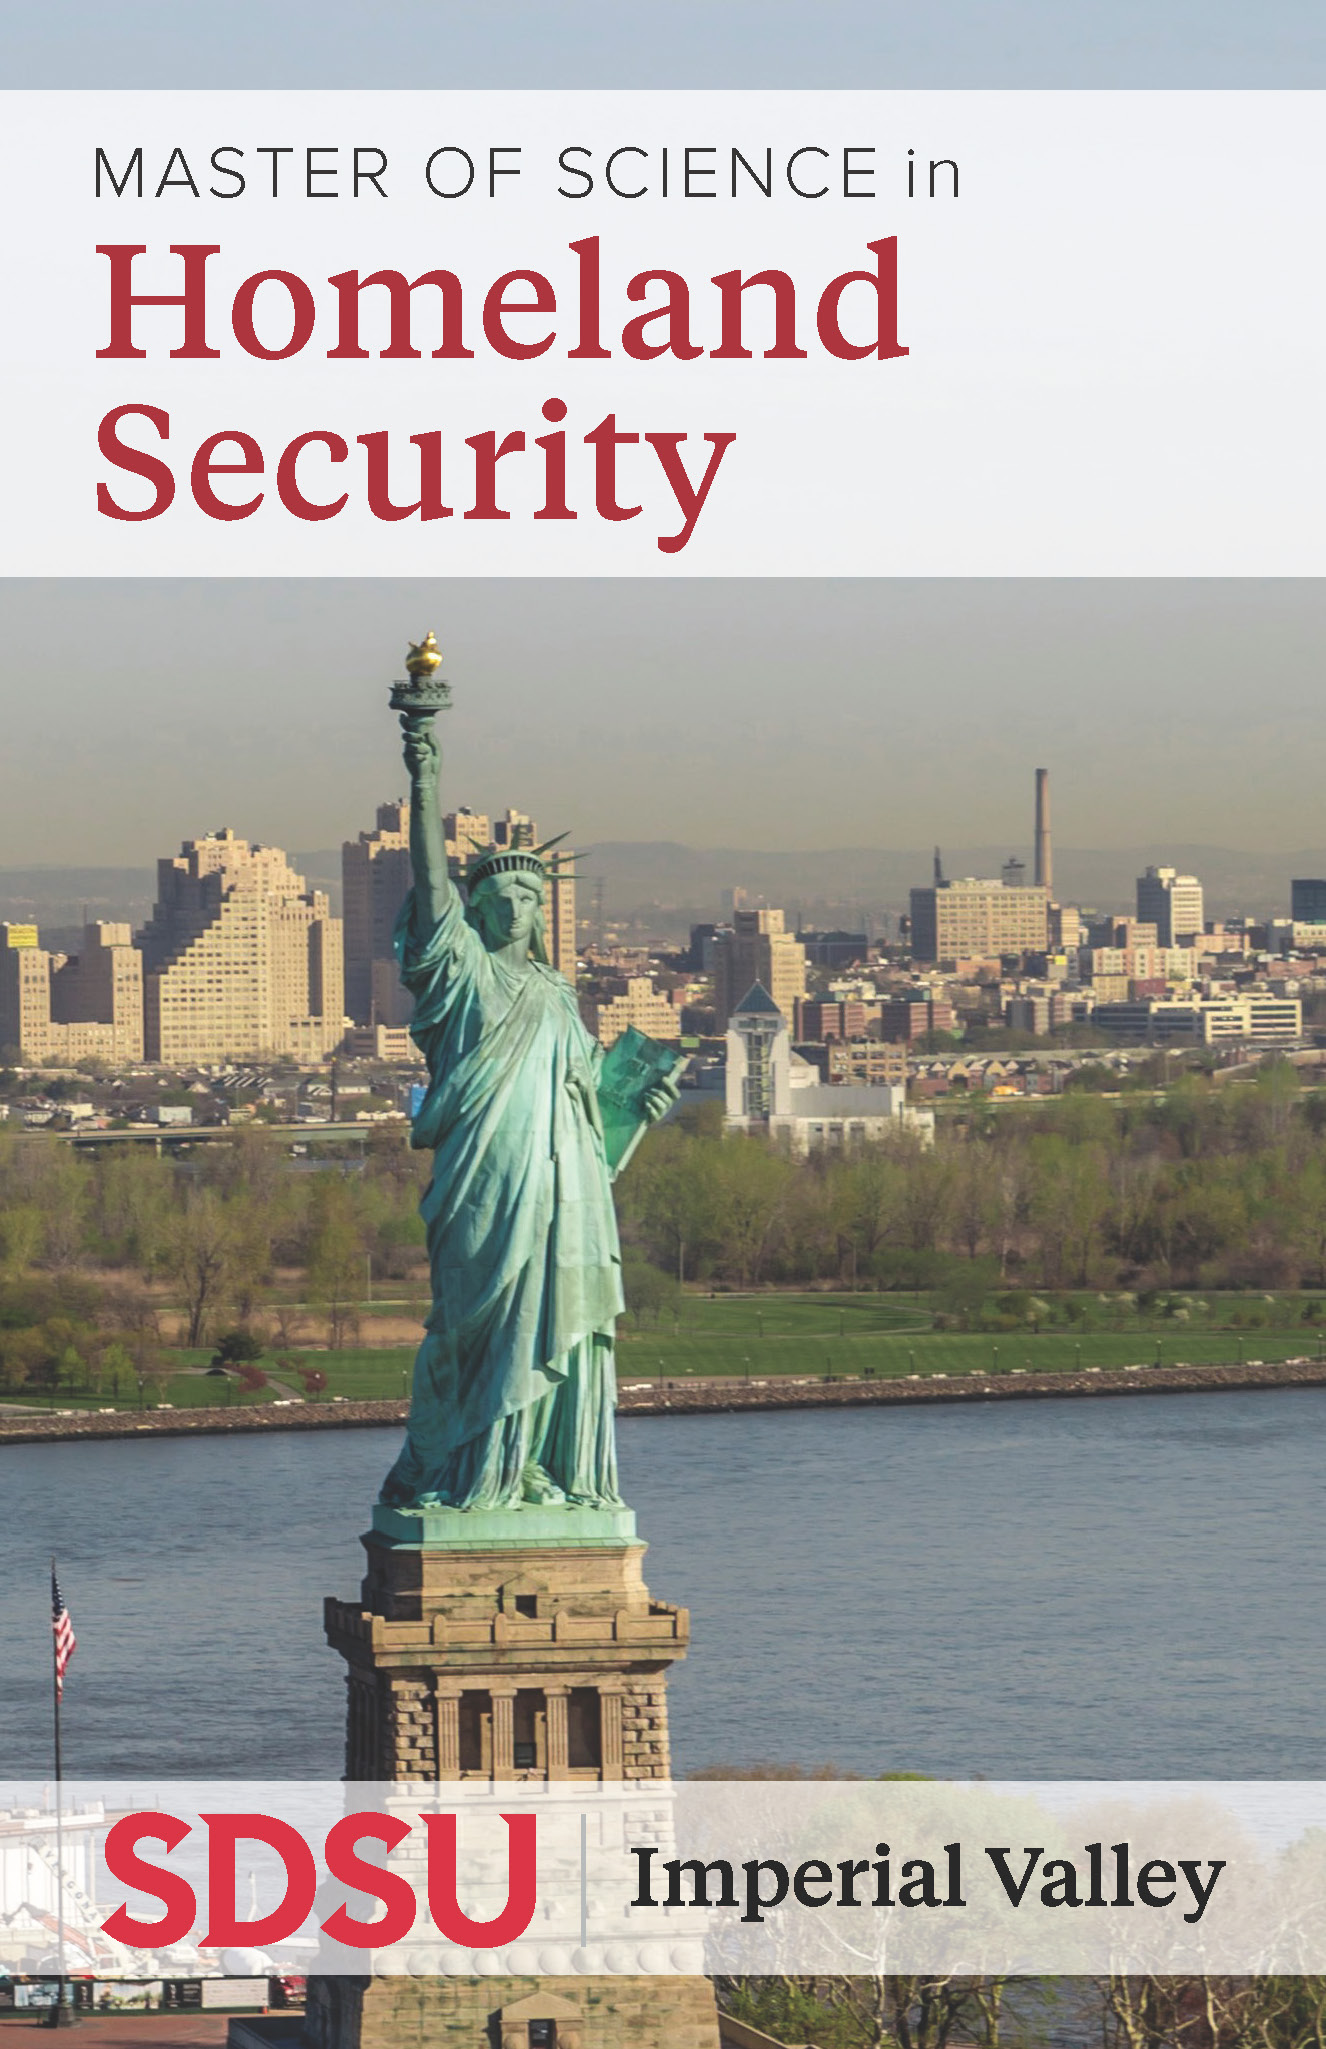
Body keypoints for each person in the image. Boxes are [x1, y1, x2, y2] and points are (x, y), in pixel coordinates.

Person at [379, 713, 675, 1512]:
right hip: (487, 1179)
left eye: (527, 892)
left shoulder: (556, 994)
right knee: (480, 1322)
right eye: (501, 892)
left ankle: (535, 1468)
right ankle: (475, 1469)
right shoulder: (464, 976)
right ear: (476, 912)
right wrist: (425, 779)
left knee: (555, 1315)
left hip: (560, 1185)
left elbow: (590, 1117)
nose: (514, 902)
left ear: (543, 910)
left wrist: (638, 1105)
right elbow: (432, 888)